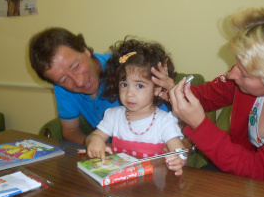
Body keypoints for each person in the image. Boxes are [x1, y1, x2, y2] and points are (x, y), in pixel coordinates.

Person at [155, 1, 264, 190]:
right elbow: (207, 96)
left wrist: (200, 124)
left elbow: (259, 169)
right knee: (188, 190)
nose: (232, 75)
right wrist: (173, 91)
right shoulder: (244, 82)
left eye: (245, 74)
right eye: (236, 62)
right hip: (249, 172)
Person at [29, 28, 169, 145]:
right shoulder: (61, 87)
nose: (78, 81)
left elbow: (169, 123)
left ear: (85, 51)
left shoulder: (127, 69)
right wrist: (95, 144)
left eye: (76, 66)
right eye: (64, 79)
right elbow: (70, 130)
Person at [85, 38, 185, 175]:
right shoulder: (113, 115)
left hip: (154, 185)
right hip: (120, 182)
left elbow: (179, 150)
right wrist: (95, 141)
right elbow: (93, 136)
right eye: (124, 85)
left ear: (156, 89)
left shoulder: (165, 121)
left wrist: (177, 159)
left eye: (139, 86)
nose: (129, 93)